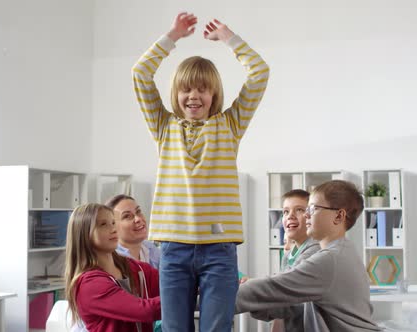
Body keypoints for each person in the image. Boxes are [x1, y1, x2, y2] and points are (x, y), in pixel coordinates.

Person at [132, 12, 269, 332]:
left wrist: (229, 38)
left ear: (214, 94)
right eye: (186, 90)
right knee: (174, 328)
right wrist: (173, 36)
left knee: (216, 328)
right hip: (173, 250)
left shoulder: (230, 125)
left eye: (202, 90)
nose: (193, 96)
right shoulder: (163, 126)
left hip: (219, 251)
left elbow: (259, 72)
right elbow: (140, 73)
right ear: (176, 95)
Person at [235, 180, 381, 332]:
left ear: (339, 216)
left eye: (313, 208)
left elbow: (275, 287)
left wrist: (219, 296)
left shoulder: (330, 259)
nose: (306, 214)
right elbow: (289, 301)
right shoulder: (342, 250)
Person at [65, 203, 161, 332]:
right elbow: (145, 311)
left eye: (113, 223)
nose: (113, 229)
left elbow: (168, 283)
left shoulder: (134, 267)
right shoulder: (89, 284)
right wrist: (181, 294)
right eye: (103, 224)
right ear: (84, 234)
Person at [271, 189, 321, 332]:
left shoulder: (314, 249)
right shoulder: (289, 254)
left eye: (299, 210)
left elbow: (287, 291)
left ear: (310, 216)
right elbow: (281, 294)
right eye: (286, 211)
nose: (290, 216)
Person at [105, 194, 160, 269]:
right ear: (113, 227)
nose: (138, 219)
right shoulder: (113, 260)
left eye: (138, 211)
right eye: (127, 216)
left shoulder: (150, 248)